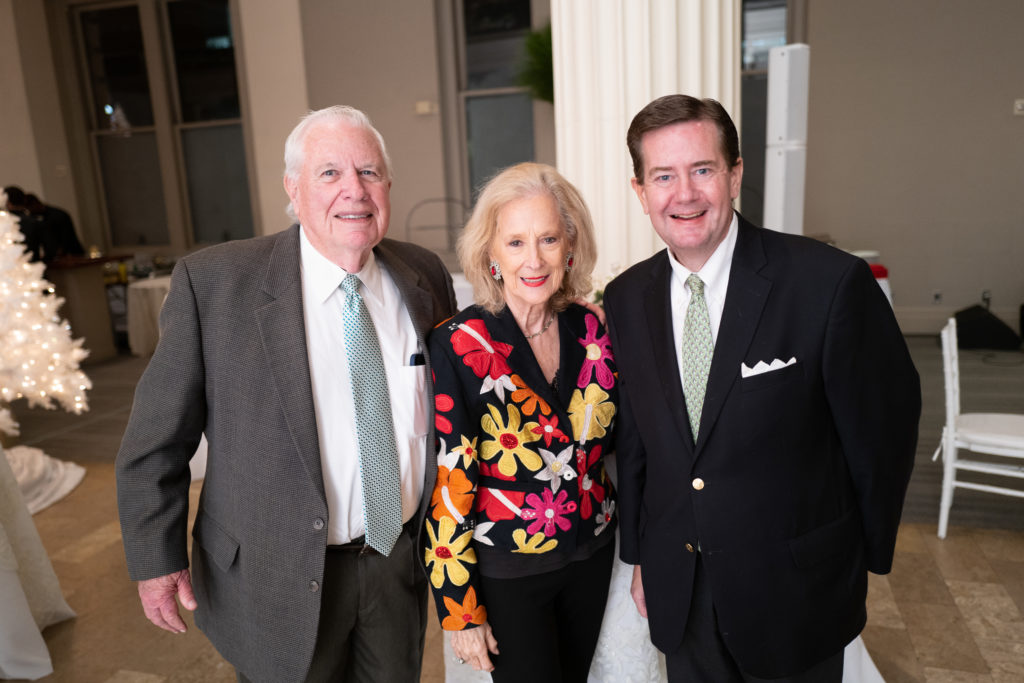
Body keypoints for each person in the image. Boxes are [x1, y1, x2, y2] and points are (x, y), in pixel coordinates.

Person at [115, 105, 458, 682]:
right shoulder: (218, 285)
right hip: (273, 568)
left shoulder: (422, 276)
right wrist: (157, 559)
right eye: (330, 174)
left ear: (389, 186)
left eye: (369, 173)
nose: (354, 190)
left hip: (397, 563)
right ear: (293, 190)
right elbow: (156, 441)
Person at [603, 94, 921, 682]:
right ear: (640, 191)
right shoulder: (624, 299)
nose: (685, 194)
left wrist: (862, 556)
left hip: (797, 595)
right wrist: (642, 557)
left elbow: (884, 429)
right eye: (663, 176)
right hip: (684, 594)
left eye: (702, 170)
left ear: (735, 174)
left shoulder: (826, 283)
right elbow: (640, 444)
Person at [424, 162, 618, 683]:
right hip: (508, 568)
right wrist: (459, 609)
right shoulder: (460, 344)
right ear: (490, 253)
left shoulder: (593, 330)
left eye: (548, 239)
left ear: (570, 245)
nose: (533, 260)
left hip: (592, 553)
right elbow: (451, 478)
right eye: (515, 243)